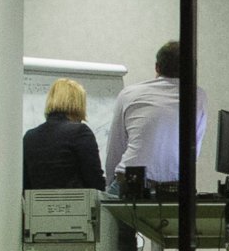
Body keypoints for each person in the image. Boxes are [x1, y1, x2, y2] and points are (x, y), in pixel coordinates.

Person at [105, 39, 211, 190]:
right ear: (191, 69)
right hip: (175, 186)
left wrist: (111, 184)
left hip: (130, 182)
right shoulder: (197, 96)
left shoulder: (129, 94)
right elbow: (193, 149)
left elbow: (115, 147)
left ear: (157, 67)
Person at [23, 78, 102, 190]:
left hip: (38, 206)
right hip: (77, 205)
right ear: (78, 104)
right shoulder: (80, 132)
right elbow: (94, 180)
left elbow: (26, 185)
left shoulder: (29, 137)